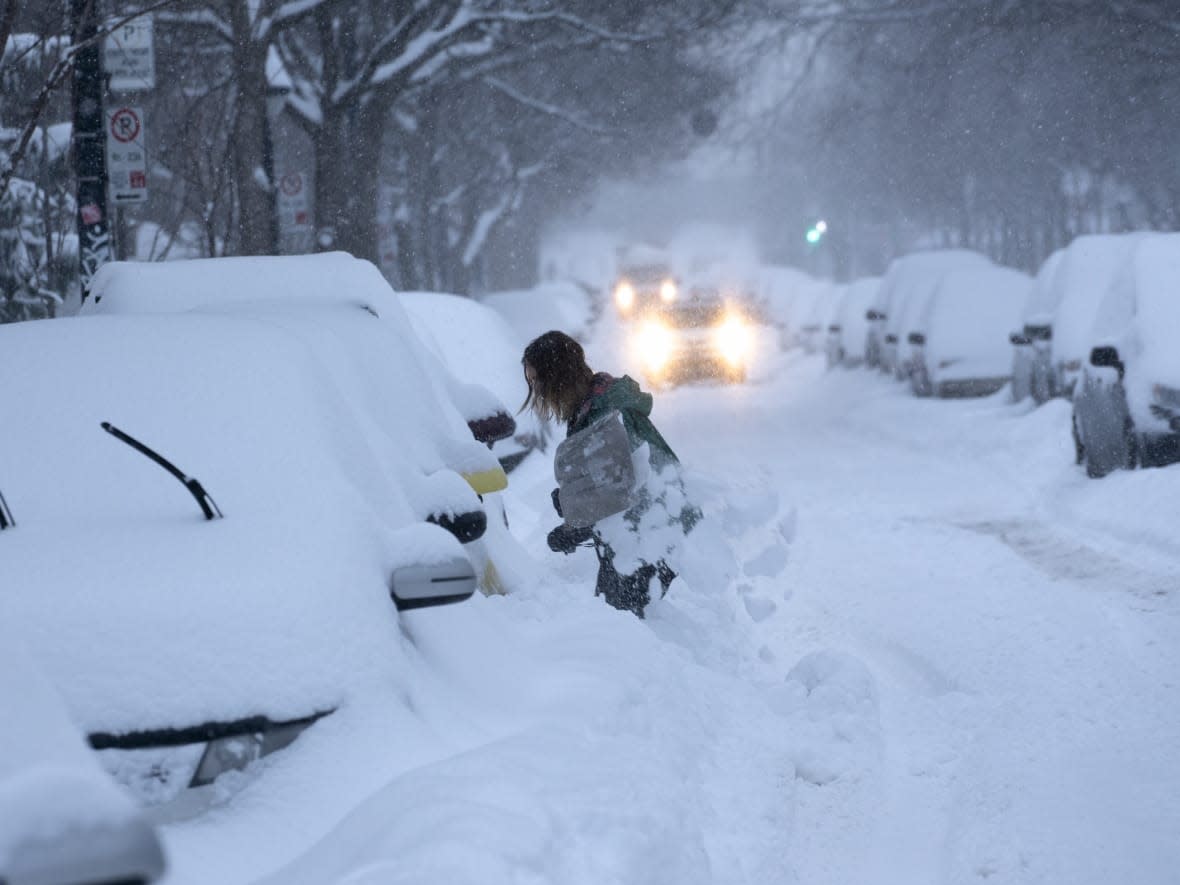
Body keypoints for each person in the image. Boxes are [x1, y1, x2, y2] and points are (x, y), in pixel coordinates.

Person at [521, 330, 697, 618]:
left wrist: (574, 528)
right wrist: (571, 498)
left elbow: (628, 493)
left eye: (538, 380)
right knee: (619, 626)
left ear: (559, 376)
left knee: (623, 628)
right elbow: (607, 480)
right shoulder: (592, 409)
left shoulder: (608, 416)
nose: (537, 390)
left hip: (650, 537)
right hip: (640, 537)